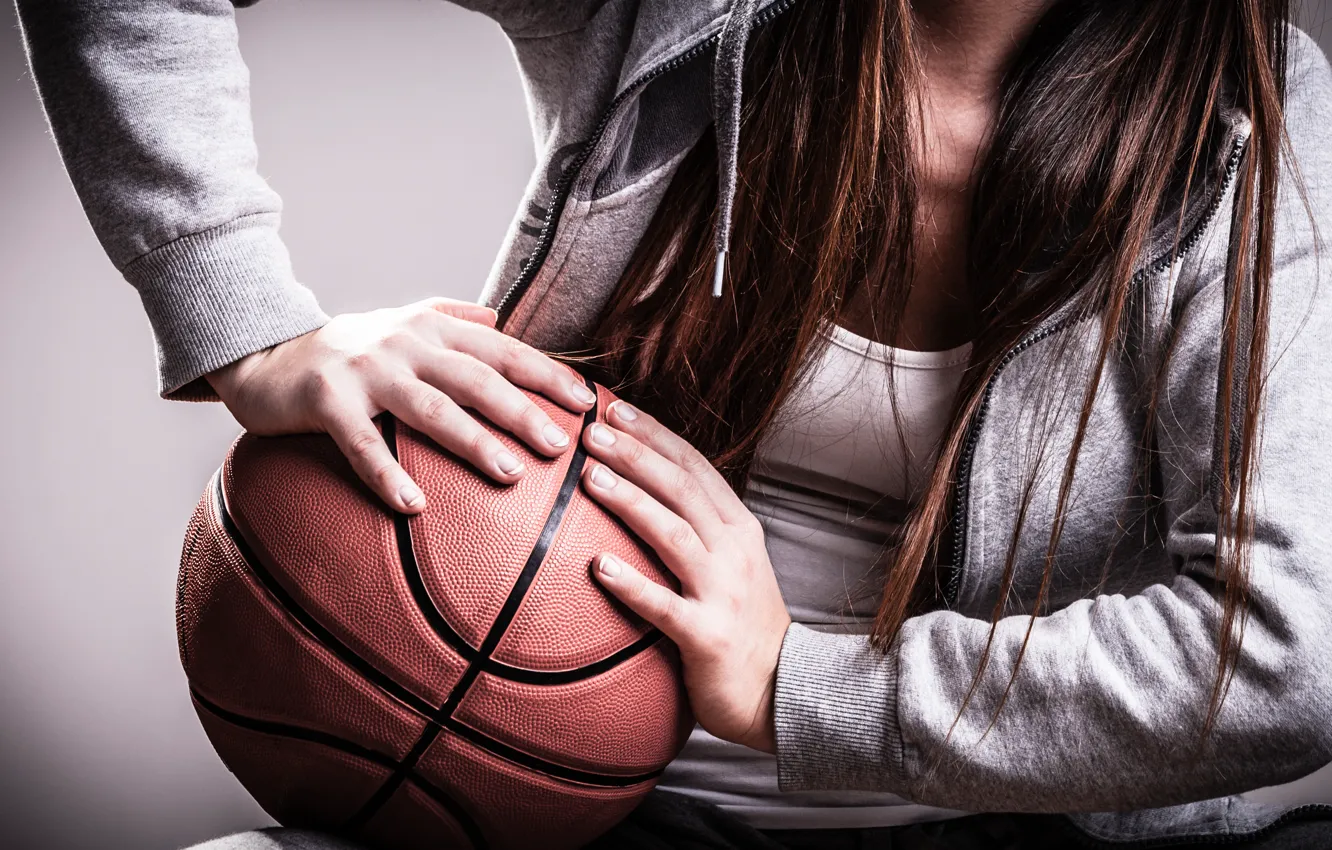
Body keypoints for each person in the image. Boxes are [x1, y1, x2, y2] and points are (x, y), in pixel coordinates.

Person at [15, 0, 1332, 847]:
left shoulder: (1253, 125)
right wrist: (245, 315)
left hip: (1028, 827)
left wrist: (793, 684)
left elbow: (1283, 649)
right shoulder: (671, 17)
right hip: (591, 805)